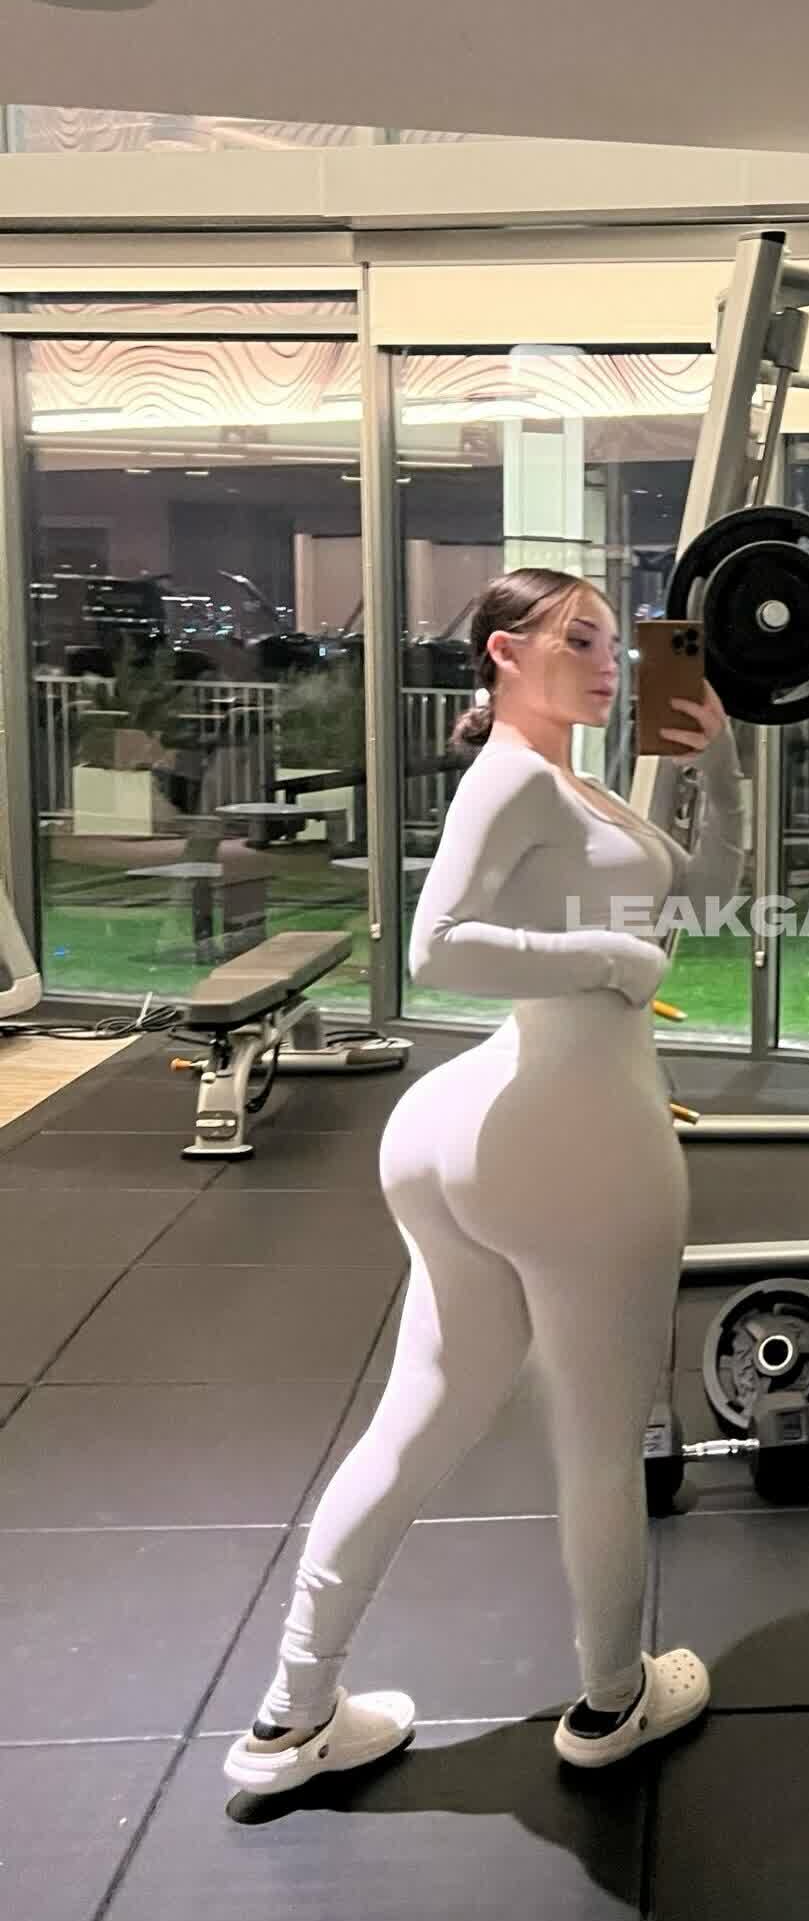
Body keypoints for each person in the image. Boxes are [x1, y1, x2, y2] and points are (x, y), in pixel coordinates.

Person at [223, 566, 742, 1798]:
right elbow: (438, 945)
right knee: (600, 1442)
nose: (610, 660)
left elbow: (710, 894)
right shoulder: (512, 774)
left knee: (419, 1421)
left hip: (478, 1131)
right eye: (580, 639)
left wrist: (721, 766)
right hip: (571, 1140)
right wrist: (605, 955)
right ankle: (612, 1700)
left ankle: (294, 1713)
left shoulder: (575, 781)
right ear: (505, 652)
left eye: (615, 641)